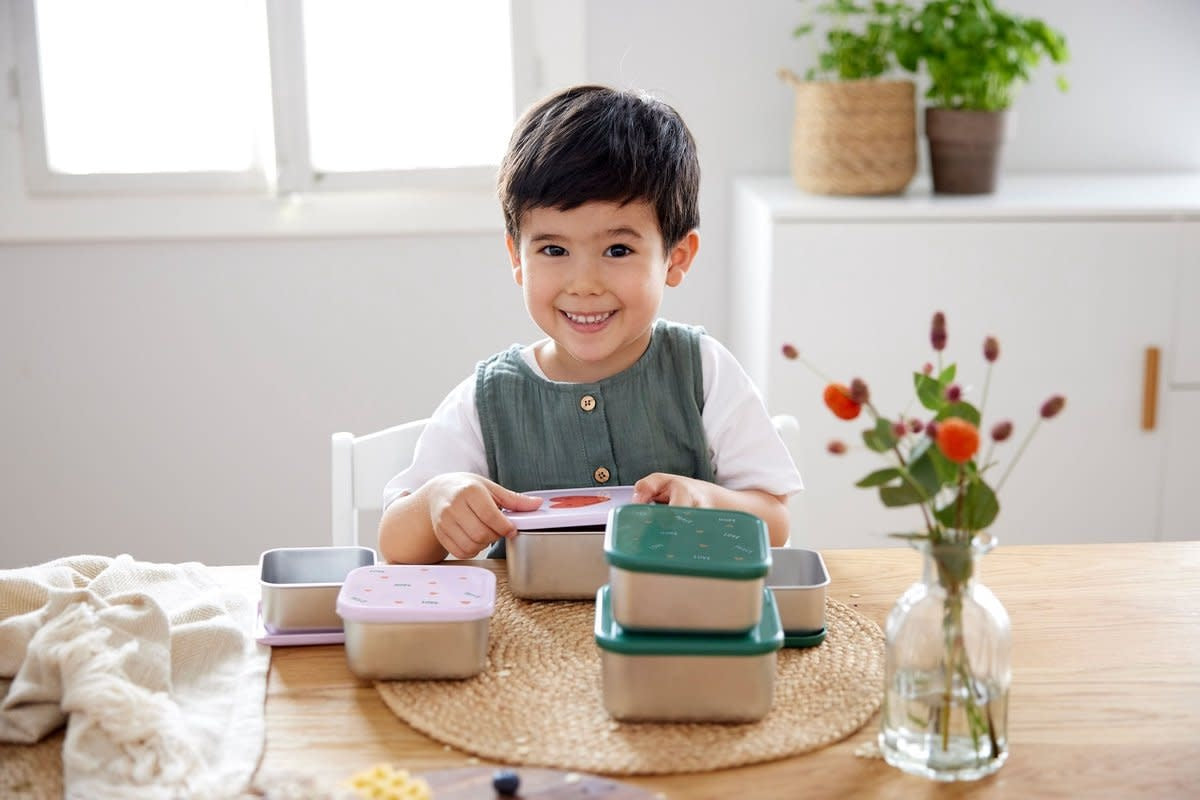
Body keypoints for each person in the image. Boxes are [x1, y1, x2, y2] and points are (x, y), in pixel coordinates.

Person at [378, 85, 802, 564]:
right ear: (517, 258)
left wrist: (712, 503)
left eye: (617, 250)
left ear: (675, 259)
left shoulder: (704, 371)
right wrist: (440, 498)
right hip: (528, 636)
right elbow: (394, 545)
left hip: (678, 625)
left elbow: (776, 522)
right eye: (553, 250)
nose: (584, 284)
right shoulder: (486, 399)